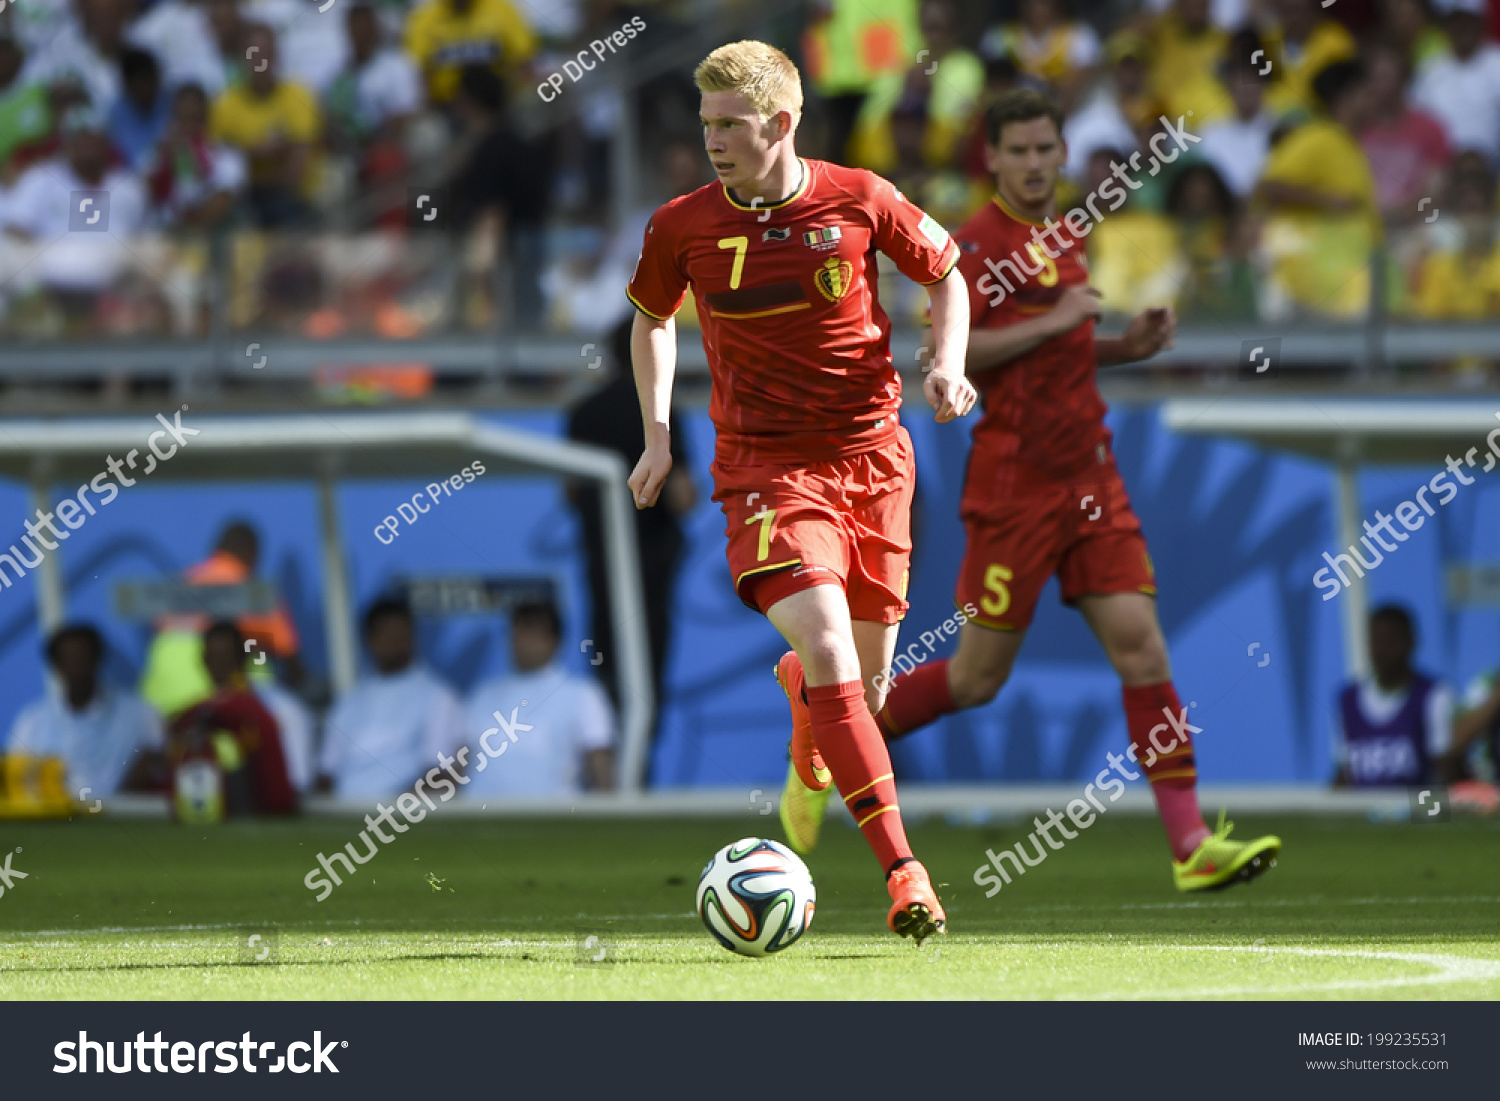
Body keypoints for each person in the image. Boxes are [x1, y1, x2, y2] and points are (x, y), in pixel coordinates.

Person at [788, 87, 1281, 896]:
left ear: (1062, 152)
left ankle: (1190, 843)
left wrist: (1126, 346)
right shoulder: (973, 245)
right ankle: (821, 727)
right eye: (1016, 151)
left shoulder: (1070, 234)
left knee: (1143, 647)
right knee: (978, 681)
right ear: (992, 158)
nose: (1033, 163)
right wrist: (1057, 323)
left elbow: (1062, 354)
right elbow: (955, 356)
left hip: (1092, 473)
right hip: (1016, 489)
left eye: (1045, 149)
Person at [626, 40, 976, 942]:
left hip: (875, 463)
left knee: (862, 683)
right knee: (828, 646)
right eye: (706, 125)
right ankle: (906, 872)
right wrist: (660, 434)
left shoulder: (859, 198)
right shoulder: (681, 226)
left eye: (731, 126)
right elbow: (652, 321)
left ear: (781, 124)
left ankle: (807, 705)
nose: (714, 141)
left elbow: (947, 275)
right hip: (765, 468)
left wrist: (945, 364)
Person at [567, 315, 694, 744]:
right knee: (647, 674)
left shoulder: (584, 412)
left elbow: (569, 492)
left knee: (607, 666)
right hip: (652, 567)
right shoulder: (663, 414)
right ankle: (636, 771)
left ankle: (611, 762)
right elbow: (682, 496)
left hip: (601, 564)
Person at [139, 520, 303, 719]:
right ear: (252, 552)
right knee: (258, 658)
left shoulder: (184, 583)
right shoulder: (253, 592)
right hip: (220, 707)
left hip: (160, 702)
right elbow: (289, 656)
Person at [462, 599, 616, 795]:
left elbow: (600, 766)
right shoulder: (484, 695)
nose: (521, 640)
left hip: (552, 820)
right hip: (480, 819)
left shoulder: (583, 695)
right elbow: (459, 764)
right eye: (516, 632)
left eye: (531, 631)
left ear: (554, 640)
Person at [317, 597, 466, 800]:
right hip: (344, 814)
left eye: (401, 633)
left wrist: (389, 816)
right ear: (369, 639)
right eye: (386, 633)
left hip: (400, 818)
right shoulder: (350, 701)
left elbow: (440, 776)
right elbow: (327, 772)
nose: (395, 640)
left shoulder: (438, 696)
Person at [6, 624, 164, 799]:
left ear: (98, 658)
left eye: (83, 657)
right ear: (55, 664)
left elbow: (160, 761)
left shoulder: (141, 713)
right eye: (68, 658)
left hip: (121, 816)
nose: (77, 666)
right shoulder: (32, 720)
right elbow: (16, 776)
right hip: (53, 820)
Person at [169, 620, 296, 815]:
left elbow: (294, 779)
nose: (220, 666)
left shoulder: (278, 706)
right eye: (213, 657)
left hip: (264, 808)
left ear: (243, 659)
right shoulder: (196, 712)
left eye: (227, 658)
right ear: (203, 660)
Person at [208, 23, 321, 228]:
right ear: (242, 57)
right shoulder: (224, 104)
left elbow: (297, 171)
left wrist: (245, 156)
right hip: (241, 203)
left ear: (277, 56)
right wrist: (265, 152)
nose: (260, 62)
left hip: (291, 200)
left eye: (266, 54)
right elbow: (218, 172)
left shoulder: (299, 95)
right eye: (253, 54)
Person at [1333, 605, 1456, 786]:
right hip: (1364, 812)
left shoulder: (1434, 696)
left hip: (1415, 809)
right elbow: (1345, 771)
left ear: (1410, 642)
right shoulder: (1347, 700)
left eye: (1390, 641)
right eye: (1376, 641)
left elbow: (1446, 769)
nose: (1382, 650)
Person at [144, 82, 247, 230]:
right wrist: (163, 164)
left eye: (194, 118)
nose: (189, 127)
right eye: (182, 119)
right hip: (168, 235)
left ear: (207, 118)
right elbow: (145, 196)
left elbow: (220, 204)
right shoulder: (160, 153)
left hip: (210, 235)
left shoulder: (228, 158)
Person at [1412, 0, 1500, 161]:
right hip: (1443, 164)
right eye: (1457, 23)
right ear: (1447, 27)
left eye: (1468, 22)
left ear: (1481, 24)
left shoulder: (1497, 62)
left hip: (1492, 163)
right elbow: (1418, 120)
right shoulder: (1430, 68)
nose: (1462, 29)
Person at [403, 0, 537, 106]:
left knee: (531, 101)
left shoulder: (501, 9)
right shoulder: (425, 17)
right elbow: (420, 73)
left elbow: (523, 61)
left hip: (497, 102)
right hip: (447, 105)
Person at [107, 47, 170, 171]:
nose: (146, 87)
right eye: (140, 82)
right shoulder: (114, 116)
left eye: (149, 80)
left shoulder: (171, 103)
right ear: (127, 84)